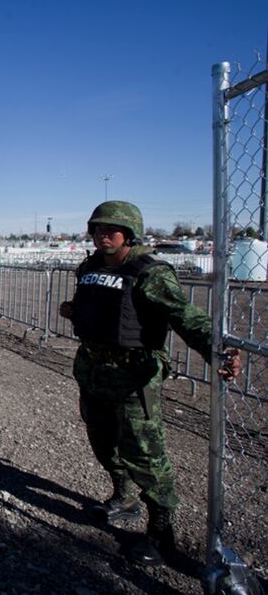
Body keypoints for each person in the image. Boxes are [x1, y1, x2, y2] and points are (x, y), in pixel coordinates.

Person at [59, 201, 240, 566]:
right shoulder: (90, 267)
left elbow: (184, 316)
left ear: (130, 234)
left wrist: (216, 350)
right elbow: (98, 309)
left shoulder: (151, 273)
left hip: (133, 378)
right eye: (97, 228)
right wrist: (74, 311)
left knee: (146, 455)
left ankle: (162, 533)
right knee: (102, 442)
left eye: (112, 229)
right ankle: (124, 498)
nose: (103, 234)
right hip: (94, 373)